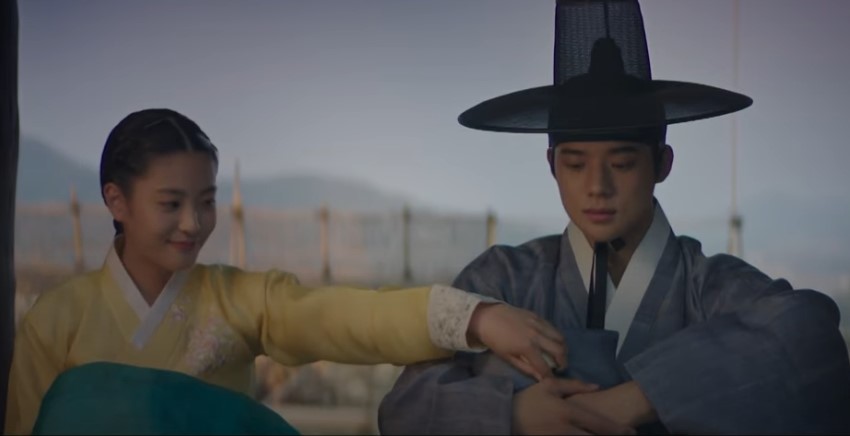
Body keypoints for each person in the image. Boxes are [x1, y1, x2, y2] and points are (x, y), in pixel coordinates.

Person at [378, 0, 850, 434]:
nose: (597, 186)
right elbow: (404, 410)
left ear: (662, 163)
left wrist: (639, 398)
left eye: (622, 164)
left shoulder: (708, 285)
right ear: (551, 166)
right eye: (575, 164)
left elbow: (812, 342)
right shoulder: (505, 278)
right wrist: (513, 415)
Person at [5, 108, 568, 435]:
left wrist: (475, 318)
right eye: (171, 203)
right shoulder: (57, 321)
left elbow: (344, 317)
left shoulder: (236, 299)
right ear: (116, 200)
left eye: (206, 201)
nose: (193, 223)